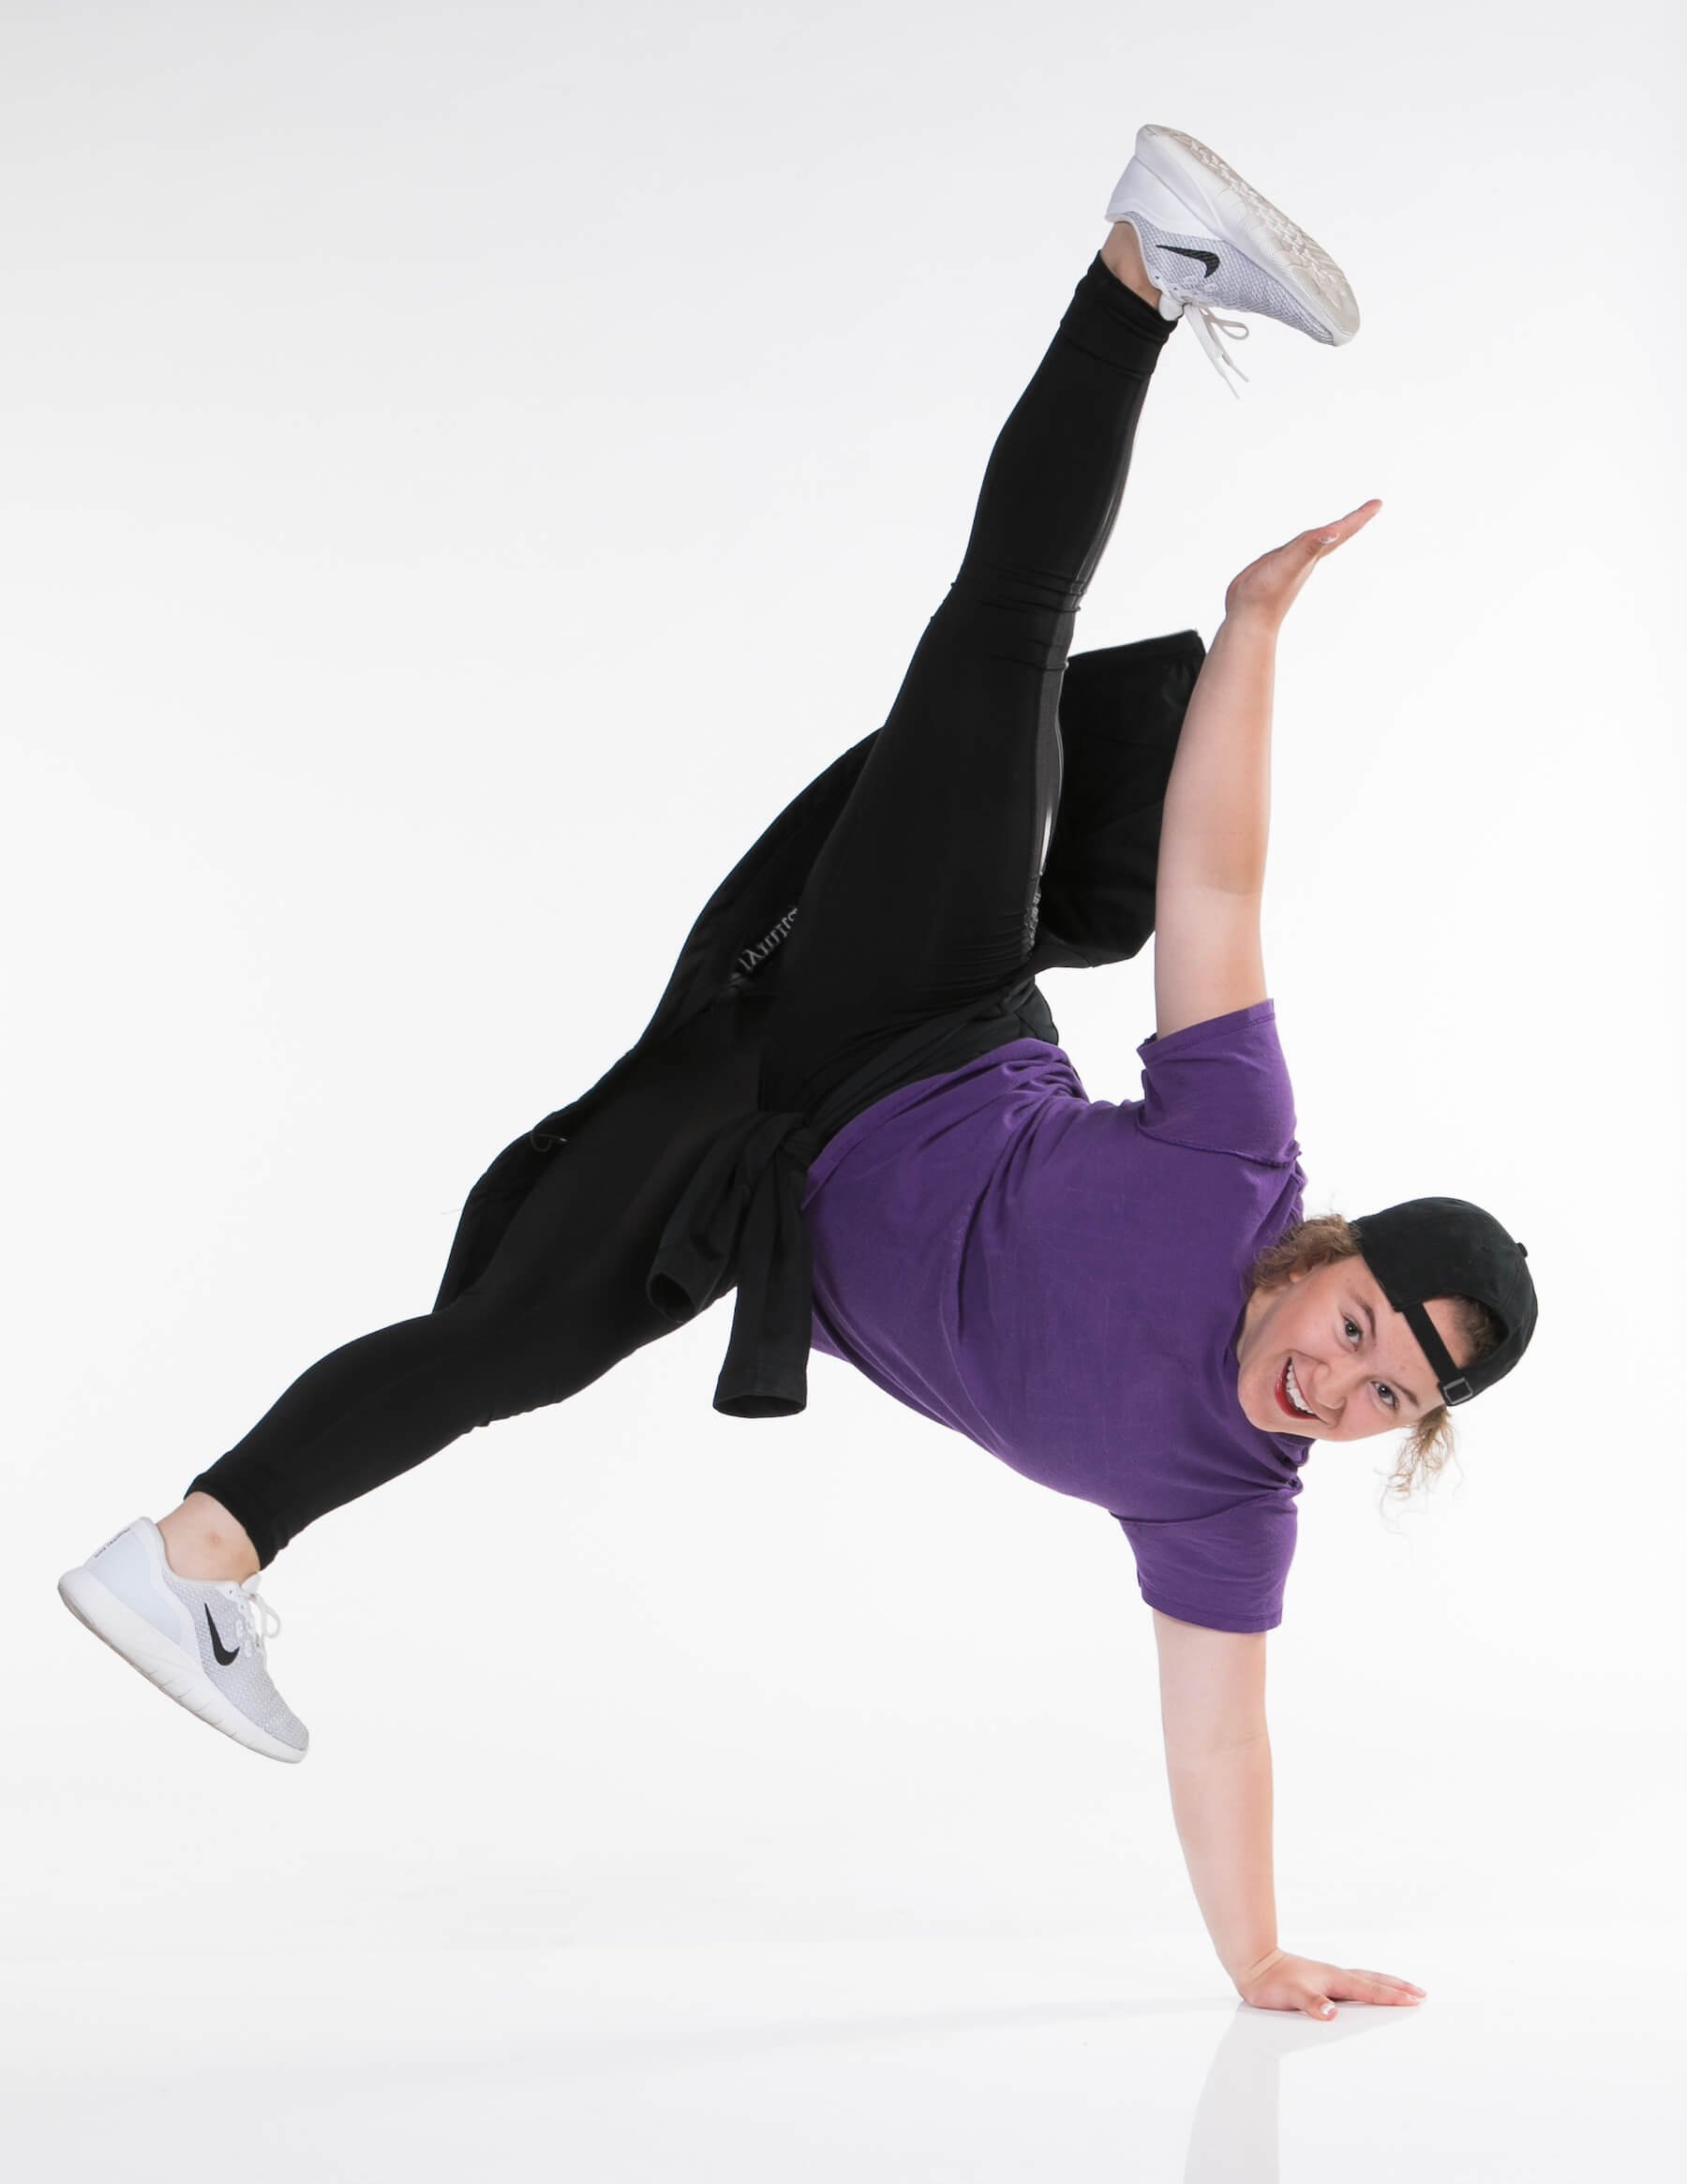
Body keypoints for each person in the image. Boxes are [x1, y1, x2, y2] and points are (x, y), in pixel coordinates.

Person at [59, 125, 1535, 2020]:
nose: (1331, 1379)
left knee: (506, 1341)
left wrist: (1255, 1953)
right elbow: (1213, 881)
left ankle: (181, 1552)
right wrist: (1250, 635)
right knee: (1000, 653)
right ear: (1322, 1253)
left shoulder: (1227, 1512)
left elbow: (1224, 1744)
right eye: (1352, 1325)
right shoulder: (1238, 1160)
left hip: (749, 1191)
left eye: (1379, 1391)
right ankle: (1143, 272)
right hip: (910, 1009)